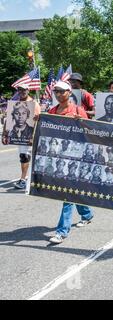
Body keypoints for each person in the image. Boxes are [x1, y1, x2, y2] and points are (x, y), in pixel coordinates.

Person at [47, 81, 94, 244]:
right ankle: (87, 213)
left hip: (76, 158)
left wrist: (82, 122)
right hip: (59, 157)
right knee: (72, 192)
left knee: (67, 194)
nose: (58, 94)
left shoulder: (78, 110)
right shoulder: (52, 111)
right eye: (56, 92)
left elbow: (89, 133)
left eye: (61, 91)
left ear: (69, 92)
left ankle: (62, 231)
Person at [1, 83, 40, 189]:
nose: (22, 92)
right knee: (22, 156)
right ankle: (27, 178)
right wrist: (4, 134)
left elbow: (37, 122)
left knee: (25, 156)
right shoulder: (14, 103)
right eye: (20, 90)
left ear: (28, 90)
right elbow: (8, 120)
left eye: (24, 90)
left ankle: (23, 179)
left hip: (29, 135)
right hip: (16, 135)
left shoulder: (33, 103)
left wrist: (33, 136)